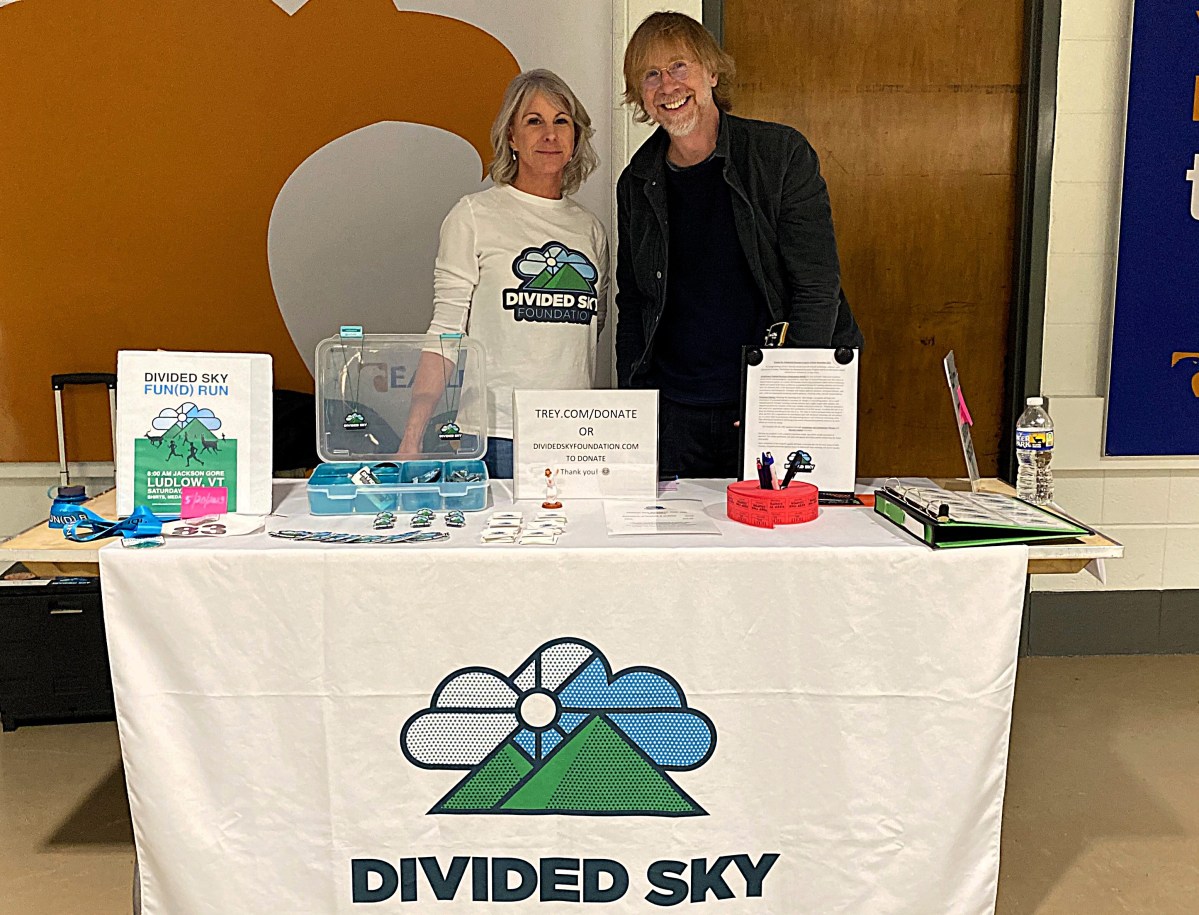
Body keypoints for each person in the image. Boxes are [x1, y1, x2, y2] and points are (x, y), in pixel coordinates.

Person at [616, 12, 863, 479]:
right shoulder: (637, 180)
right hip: (675, 415)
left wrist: (782, 404)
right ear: (640, 96)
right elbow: (634, 303)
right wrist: (636, 405)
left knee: (783, 543)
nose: (667, 85)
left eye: (679, 67)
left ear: (712, 72)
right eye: (650, 75)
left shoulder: (780, 155)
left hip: (769, 403)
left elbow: (816, 287)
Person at [399, 69, 609, 479]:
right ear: (511, 137)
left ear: (575, 137)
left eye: (561, 121)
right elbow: (446, 333)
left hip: (572, 436)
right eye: (534, 121)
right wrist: (412, 436)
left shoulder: (590, 229)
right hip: (495, 437)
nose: (550, 135)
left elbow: (589, 331)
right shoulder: (474, 215)